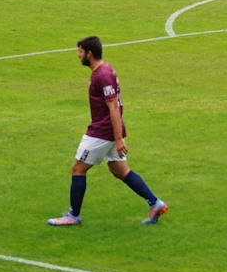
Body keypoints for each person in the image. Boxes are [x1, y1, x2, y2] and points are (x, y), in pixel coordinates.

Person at [47, 36, 168, 226]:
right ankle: (156, 203)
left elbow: (113, 107)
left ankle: (73, 215)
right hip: (109, 130)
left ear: (90, 53)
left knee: (78, 169)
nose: (78, 56)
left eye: (80, 51)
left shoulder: (102, 75)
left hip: (102, 132)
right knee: (120, 170)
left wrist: (118, 139)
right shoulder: (104, 70)